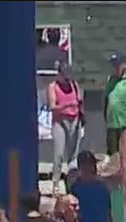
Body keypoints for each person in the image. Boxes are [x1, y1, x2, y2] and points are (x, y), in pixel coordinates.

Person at [47, 61, 82, 196]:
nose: (67, 78)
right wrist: (67, 105)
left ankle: (72, 184)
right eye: (64, 75)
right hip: (60, 121)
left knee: (73, 155)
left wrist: (80, 115)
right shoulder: (53, 86)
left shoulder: (74, 85)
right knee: (59, 153)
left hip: (74, 120)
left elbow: (79, 102)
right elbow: (53, 106)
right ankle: (55, 183)